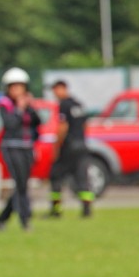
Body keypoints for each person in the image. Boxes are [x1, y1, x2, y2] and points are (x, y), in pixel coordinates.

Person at [0, 67, 41, 232]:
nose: (17, 90)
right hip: (11, 147)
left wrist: (30, 107)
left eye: (20, 87)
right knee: (20, 184)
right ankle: (25, 220)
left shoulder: (27, 105)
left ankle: (0, 220)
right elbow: (10, 124)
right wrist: (19, 109)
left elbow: (37, 124)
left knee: (22, 185)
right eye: (14, 87)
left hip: (26, 147)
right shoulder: (4, 105)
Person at [47, 79, 93, 218]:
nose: (55, 93)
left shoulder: (64, 105)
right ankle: (86, 209)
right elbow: (86, 125)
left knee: (55, 175)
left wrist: (57, 145)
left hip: (69, 146)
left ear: (63, 88)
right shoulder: (78, 104)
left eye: (56, 90)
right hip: (82, 144)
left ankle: (56, 210)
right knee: (81, 177)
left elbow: (63, 126)